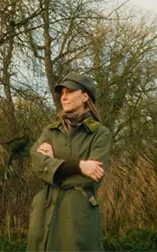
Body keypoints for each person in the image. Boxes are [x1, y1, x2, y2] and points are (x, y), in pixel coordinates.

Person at [27, 72, 112, 252]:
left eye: (70, 91)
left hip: (77, 213)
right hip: (45, 210)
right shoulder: (51, 131)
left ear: (85, 96)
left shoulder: (100, 134)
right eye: (62, 93)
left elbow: (91, 177)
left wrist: (52, 166)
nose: (63, 97)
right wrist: (79, 166)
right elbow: (37, 164)